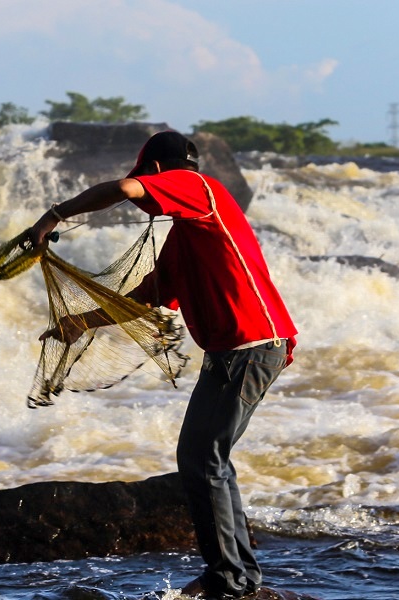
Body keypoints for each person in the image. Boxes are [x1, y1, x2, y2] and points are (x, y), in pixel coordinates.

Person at [28, 131, 298, 599]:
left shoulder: (201, 188)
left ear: (158, 173)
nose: (144, 199)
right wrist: (82, 323)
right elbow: (147, 298)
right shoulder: (185, 237)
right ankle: (239, 575)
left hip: (252, 344)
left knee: (202, 458)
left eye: (147, 182)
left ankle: (230, 579)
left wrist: (53, 217)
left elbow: (122, 189)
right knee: (208, 459)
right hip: (234, 352)